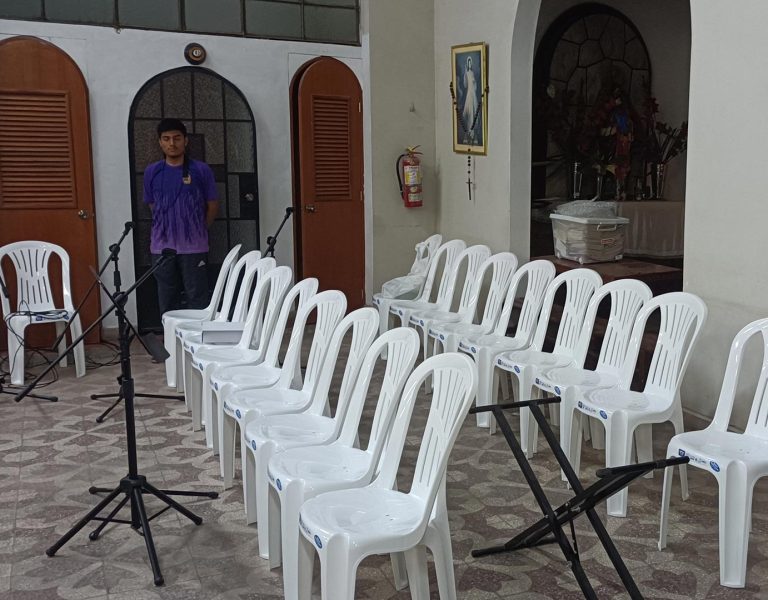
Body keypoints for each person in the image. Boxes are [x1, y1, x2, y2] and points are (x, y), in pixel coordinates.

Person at [143, 118, 219, 317]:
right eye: (166, 139)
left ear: (185, 141)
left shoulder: (201, 170)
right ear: (160, 142)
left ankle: (197, 340)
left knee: (197, 295)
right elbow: (152, 204)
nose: (172, 143)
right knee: (166, 295)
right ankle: (169, 340)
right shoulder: (152, 171)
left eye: (177, 138)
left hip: (194, 246)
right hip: (162, 246)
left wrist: (198, 228)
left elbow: (212, 205)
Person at [462, 56, 478, 144]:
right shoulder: (467, 73)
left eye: (470, 62)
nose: (469, 64)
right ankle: (468, 132)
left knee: (474, 111)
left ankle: (473, 133)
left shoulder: (472, 73)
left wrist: (474, 82)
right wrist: (465, 74)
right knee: (468, 112)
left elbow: (475, 86)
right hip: (469, 94)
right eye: (468, 62)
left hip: (473, 94)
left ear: (471, 63)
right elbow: (465, 85)